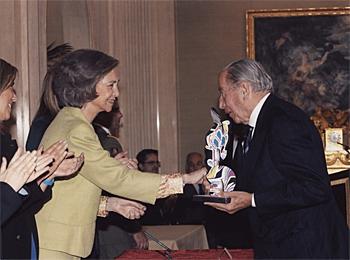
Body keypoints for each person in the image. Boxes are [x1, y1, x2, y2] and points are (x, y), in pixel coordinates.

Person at [35, 49, 206, 259]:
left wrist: (111, 205)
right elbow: (119, 179)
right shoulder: (77, 129)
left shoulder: (69, 121)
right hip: (57, 243)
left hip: (58, 240)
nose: (116, 93)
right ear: (88, 86)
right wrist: (186, 179)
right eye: (111, 85)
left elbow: (69, 190)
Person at [205, 58, 349, 258]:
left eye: (222, 92)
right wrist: (216, 181)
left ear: (244, 89)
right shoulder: (260, 123)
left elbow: (315, 187)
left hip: (305, 247)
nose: (221, 104)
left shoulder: (283, 121)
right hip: (281, 244)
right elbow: (265, 176)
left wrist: (253, 200)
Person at [0, 58, 83, 259]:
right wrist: (9, 187)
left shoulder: (4, 140)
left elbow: (24, 205)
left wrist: (47, 175)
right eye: (10, 87)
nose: (14, 96)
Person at [93, 100, 149, 259]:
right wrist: (134, 228)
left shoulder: (93, 137)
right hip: (114, 227)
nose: (120, 115)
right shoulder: (108, 142)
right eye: (116, 110)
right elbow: (119, 186)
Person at [173, 152, 206, 224]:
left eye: (198, 164)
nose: (195, 167)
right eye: (191, 165)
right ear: (187, 167)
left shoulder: (206, 184)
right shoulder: (183, 187)